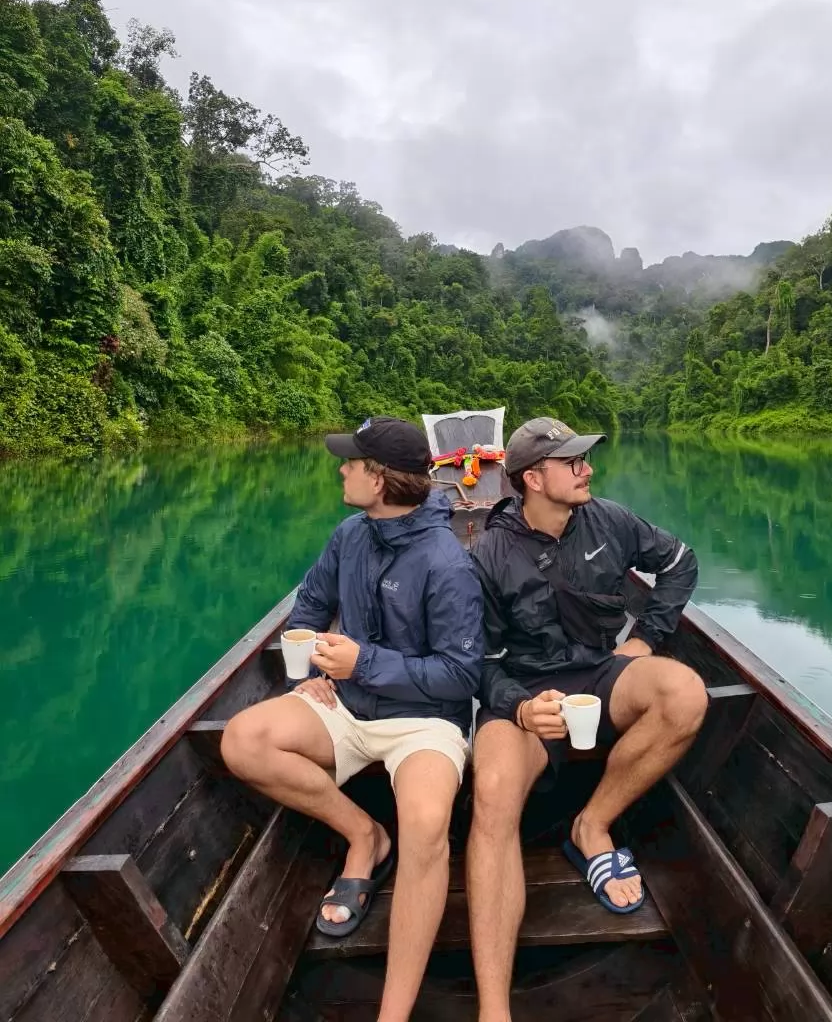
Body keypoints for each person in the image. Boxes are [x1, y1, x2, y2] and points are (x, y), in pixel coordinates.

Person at [221, 417, 483, 1022]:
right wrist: (303, 673)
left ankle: (393, 1013)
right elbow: (308, 609)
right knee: (243, 740)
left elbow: (461, 677)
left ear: (381, 479)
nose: (341, 469)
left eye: (352, 462)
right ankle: (365, 835)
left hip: (424, 721)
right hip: (345, 703)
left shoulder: (447, 564)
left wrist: (364, 660)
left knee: (425, 824)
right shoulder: (349, 535)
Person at [465, 417, 707, 1022]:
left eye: (584, 459)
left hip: (601, 674)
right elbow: (478, 663)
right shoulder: (488, 554)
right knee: (492, 792)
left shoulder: (612, 520)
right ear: (532, 479)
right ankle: (494, 1010)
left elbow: (679, 562)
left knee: (685, 695)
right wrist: (521, 706)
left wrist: (647, 638)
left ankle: (591, 826)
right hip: (522, 696)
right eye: (573, 462)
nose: (587, 469)